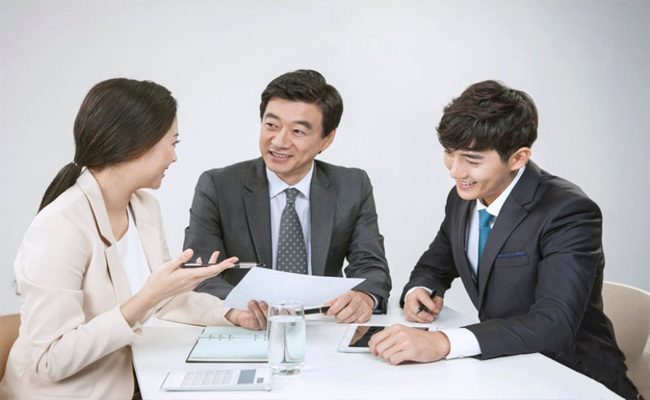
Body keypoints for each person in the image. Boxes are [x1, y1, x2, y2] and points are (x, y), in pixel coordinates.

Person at [368, 80, 640, 399]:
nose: (455, 171)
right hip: (504, 367)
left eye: (472, 160)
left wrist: (443, 342)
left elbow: (553, 324)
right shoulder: (463, 198)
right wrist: (422, 290)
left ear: (518, 157)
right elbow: (435, 266)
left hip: (573, 376)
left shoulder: (569, 211)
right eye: (449, 153)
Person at [0, 78, 265, 399]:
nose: (174, 157)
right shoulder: (59, 226)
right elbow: (51, 360)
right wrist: (146, 298)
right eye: (173, 143)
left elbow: (165, 300)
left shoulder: (144, 208)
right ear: (138, 143)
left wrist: (232, 314)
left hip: (133, 381)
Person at [184, 69, 391, 324]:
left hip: (322, 323)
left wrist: (363, 296)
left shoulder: (352, 186)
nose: (279, 142)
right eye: (271, 125)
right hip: (246, 324)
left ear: (327, 139)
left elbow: (370, 264)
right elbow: (199, 272)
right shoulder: (218, 186)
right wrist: (240, 311)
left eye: (298, 131)